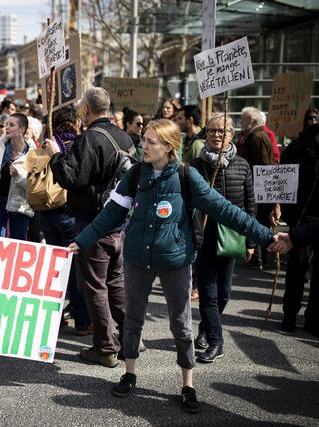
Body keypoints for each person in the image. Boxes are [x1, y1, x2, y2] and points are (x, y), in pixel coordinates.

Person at [68, 118, 277, 414]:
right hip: (138, 259)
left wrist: (266, 237)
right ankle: (129, 373)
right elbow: (111, 213)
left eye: (151, 141)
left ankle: (187, 384)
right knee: (132, 321)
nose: (144, 145)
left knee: (181, 325)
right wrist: (83, 239)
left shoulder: (186, 175)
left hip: (176, 261)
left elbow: (226, 210)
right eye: (144, 139)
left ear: (168, 147)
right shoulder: (135, 174)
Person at [44, 87, 133, 362]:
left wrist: (55, 155)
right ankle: (132, 335)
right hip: (120, 222)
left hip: (94, 223)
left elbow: (71, 177)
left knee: (94, 285)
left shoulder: (89, 139)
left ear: (86, 110)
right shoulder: (126, 138)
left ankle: (105, 347)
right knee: (116, 281)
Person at [189, 114, 256, 362]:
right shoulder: (196, 166)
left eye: (223, 131)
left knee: (224, 292)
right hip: (204, 237)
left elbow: (250, 205)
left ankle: (207, 328)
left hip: (232, 237)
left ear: (232, 135)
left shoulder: (242, 165)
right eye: (212, 131)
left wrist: (250, 242)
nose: (217, 135)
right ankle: (217, 342)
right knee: (207, 292)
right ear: (206, 134)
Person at [39, 106, 91, 334]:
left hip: (45, 213)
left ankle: (55, 318)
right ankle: (82, 321)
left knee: (55, 269)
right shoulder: (74, 145)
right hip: (68, 213)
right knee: (75, 269)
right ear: (73, 123)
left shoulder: (45, 145)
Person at [279, 123, 319, 335]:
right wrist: (283, 209)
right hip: (303, 217)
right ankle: (290, 315)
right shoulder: (300, 145)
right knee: (297, 269)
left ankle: (313, 318)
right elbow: (283, 179)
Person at [239, 106, 276, 269]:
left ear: (253, 121)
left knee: (258, 219)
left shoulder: (257, 137)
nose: (241, 122)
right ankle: (259, 257)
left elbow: (263, 166)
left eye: (244, 119)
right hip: (257, 185)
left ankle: (259, 258)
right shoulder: (254, 135)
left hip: (257, 185)